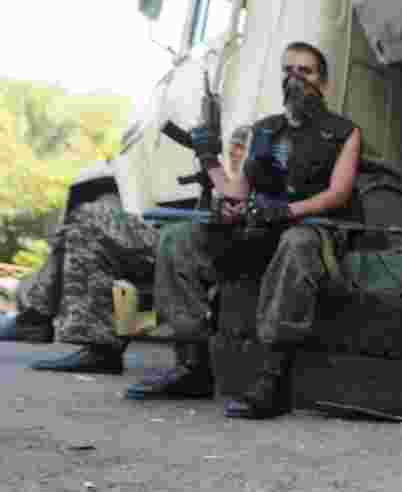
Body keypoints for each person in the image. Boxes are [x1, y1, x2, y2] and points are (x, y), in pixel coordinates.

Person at [124, 41, 362, 421]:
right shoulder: (267, 129)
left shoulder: (343, 133)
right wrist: (209, 159)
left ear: (325, 84)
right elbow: (237, 193)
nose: (296, 78)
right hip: (258, 235)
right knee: (178, 238)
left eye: (306, 71)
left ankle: (273, 380)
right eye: (289, 70)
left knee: (296, 242)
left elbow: (338, 193)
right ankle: (192, 366)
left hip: (313, 235)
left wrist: (286, 210)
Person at [0, 127, 253, 374]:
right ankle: (44, 321)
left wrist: (212, 164)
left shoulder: (272, 138)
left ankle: (54, 326)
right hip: (195, 231)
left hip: (212, 243)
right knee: (83, 222)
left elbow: (238, 197)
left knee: (89, 221)